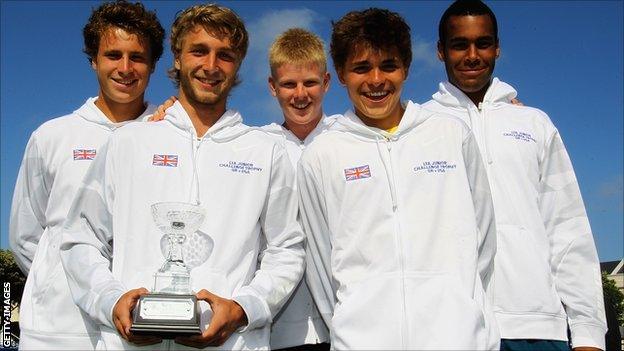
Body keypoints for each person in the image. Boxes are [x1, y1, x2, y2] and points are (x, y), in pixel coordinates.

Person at [59, 4, 305, 350]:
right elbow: (80, 240)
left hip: (234, 344)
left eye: (226, 55)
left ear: (237, 66)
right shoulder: (127, 142)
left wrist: (243, 309)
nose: (211, 66)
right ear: (177, 58)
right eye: (199, 51)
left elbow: (287, 250)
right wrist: (110, 300)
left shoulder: (265, 151)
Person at [297, 7, 500, 350]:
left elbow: (484, 239)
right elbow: (319, 263)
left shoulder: (451, 134)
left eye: (388, 65)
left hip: (458, 339)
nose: (376, 80)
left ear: (406, 68)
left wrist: (463, 310)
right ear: (342, 74)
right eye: (361, 68)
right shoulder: (321, 155)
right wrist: (352, 326)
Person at [422, 0, 607, 350]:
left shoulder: (533, 123)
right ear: (441, 52)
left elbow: (567, 228)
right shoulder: (419, 126)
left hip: (537, 326)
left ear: (497, 48)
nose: (473, 55)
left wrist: (588, 332)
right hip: (450, 328)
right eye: (460, 44)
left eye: (483, 43)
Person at [8, 1, 164, 349]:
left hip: (142, 328)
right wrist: (68, 282)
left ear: (153, 65)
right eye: (113, 55)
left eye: (137, 57)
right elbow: (26, 236)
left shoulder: (171, 135)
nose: (125, 68)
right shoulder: (51, 136)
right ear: (94, 59)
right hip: (58, 330)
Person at [262, 28, 332, 351]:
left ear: (327, 83)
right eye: (289, 84)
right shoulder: (256, 144)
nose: (300, 94)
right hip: (276, 331)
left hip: (340, 326)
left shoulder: (350, 138)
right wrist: (166, 111)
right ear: (273, 87)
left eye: (310, 83)